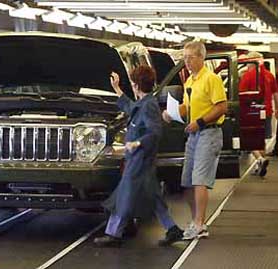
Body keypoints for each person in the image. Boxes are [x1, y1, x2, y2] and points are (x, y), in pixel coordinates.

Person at [94, 65, 183, 247]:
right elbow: (130, 107)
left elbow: (155, 131)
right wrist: (117, 89)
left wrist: (137, 143)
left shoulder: (149, 106)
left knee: (123, 195)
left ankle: (114, 234)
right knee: (154, 197)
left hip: (139, 160)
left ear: (136, 85)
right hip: (141, 161)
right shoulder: (144, 103)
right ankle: (172, 229)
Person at [162, 41, 227, 240]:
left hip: (209, 133)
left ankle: (200, 224)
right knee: (187, 181)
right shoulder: (190, 81)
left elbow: (221, 107)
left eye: (190, 57)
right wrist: (171, 113)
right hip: (193, 135)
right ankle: (195, 222)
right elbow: (186, 107)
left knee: (199, 180)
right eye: (185, 57)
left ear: (201, 57)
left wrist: (199, 122)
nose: (187, 62)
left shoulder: (211, 79)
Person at [239, 51, 278, 176]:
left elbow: (241, 95)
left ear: (251, 62)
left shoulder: (248, 76)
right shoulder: (269, 75)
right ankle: (259, 164)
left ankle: (260, 160)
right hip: (266, 111)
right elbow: (275, 94)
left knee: (249, 139)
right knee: (262, 140)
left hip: (252, 112)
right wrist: (277, 108)